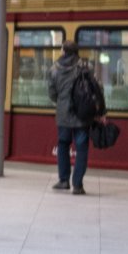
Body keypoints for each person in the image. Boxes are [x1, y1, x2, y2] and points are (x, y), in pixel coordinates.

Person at [48, 40, 97, 195]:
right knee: (81, 148)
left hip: (63, 114)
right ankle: (77, 185)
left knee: (63, 145)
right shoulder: (85, 67)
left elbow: (52, 93)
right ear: (76, 52)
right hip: (82, 114)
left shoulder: (54, 69)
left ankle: (63, 181)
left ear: (63, 51)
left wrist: (62, 101)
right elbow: (96, 88)